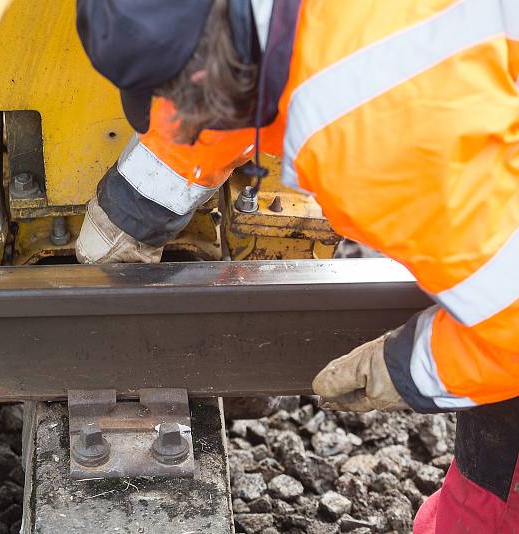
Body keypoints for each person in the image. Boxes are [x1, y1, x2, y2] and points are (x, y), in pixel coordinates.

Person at [75, 0, 519, 531]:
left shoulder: (376, 141)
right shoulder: (276, 25)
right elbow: (246, 82)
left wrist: (409, 367)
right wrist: (136, 204)